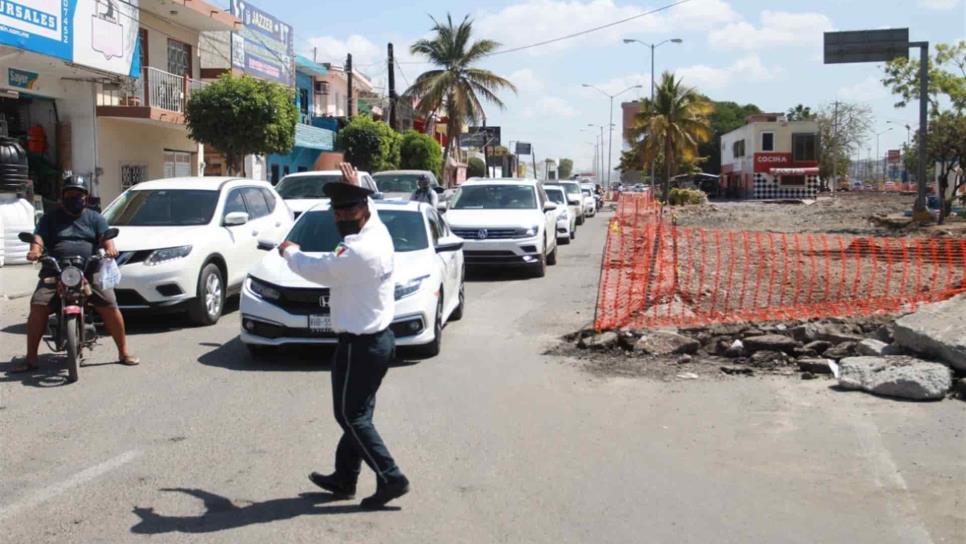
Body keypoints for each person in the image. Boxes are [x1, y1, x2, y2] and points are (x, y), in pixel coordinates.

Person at [278, 162, 410, 509]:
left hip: (362, 346)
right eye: (337, 212)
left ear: (362, 210)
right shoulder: (374, 231)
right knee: (357, 415)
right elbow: (369, 213)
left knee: (350, 417)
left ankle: (390, 476)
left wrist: (289, 250)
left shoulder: (358, 252)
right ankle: (344, 478)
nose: (341, 217)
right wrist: (355, 185)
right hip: (375, 342)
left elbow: (314, 269)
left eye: (349, 210)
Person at [14, 176, 139, 372]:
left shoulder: (95, 218)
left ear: (85, 197)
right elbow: (38, 238)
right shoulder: (50, 218)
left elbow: (105, 237)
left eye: (78, 195)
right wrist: (35, 251)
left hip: (89, 270)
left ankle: (123, 352)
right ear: (62, 196)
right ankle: (31, 358)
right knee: (38, 305)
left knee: (109, 303)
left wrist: (110, 248)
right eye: (70, 194)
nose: (74, 198)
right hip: (56, 270)